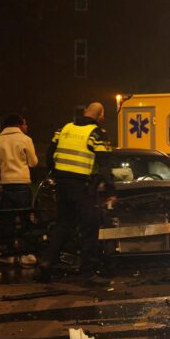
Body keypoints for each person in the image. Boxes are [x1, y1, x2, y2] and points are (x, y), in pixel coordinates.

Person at [38, 102, 111, 283]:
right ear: (100, 115)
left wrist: (55, 174)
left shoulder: (63, 129)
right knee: (90, 227)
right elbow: (105, 163)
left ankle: (46, 263)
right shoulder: (96, 133)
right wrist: (110, 188)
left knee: (63, 224)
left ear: (85, 111)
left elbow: (49, 155)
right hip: (83, 187)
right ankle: (88, 273)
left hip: (62, 185)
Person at [0, 113, 39, 264]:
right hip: (23, 184)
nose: (26, 126)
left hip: (6, 185)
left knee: (7, 222)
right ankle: (27, 253)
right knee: (25, 220)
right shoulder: (26, 139)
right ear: (18, 125)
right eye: (24, 124)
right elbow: (33, 162)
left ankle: (9, 252)